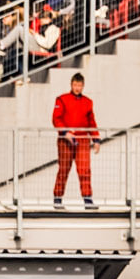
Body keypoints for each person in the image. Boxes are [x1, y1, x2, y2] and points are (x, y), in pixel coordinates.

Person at [52, 71, 98, 209]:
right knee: (64, 169)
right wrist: (65, 132)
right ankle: (57, 198)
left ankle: (88, 199)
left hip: (82, 140)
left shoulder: (88, 102)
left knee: (84, 170)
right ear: (71, 85)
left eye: (79, 85)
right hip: (65, 140)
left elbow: (91, 122)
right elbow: (56, 118)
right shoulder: (62, 99)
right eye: (75, 85)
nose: (77, 88)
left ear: (83, 86)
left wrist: (96, 139)